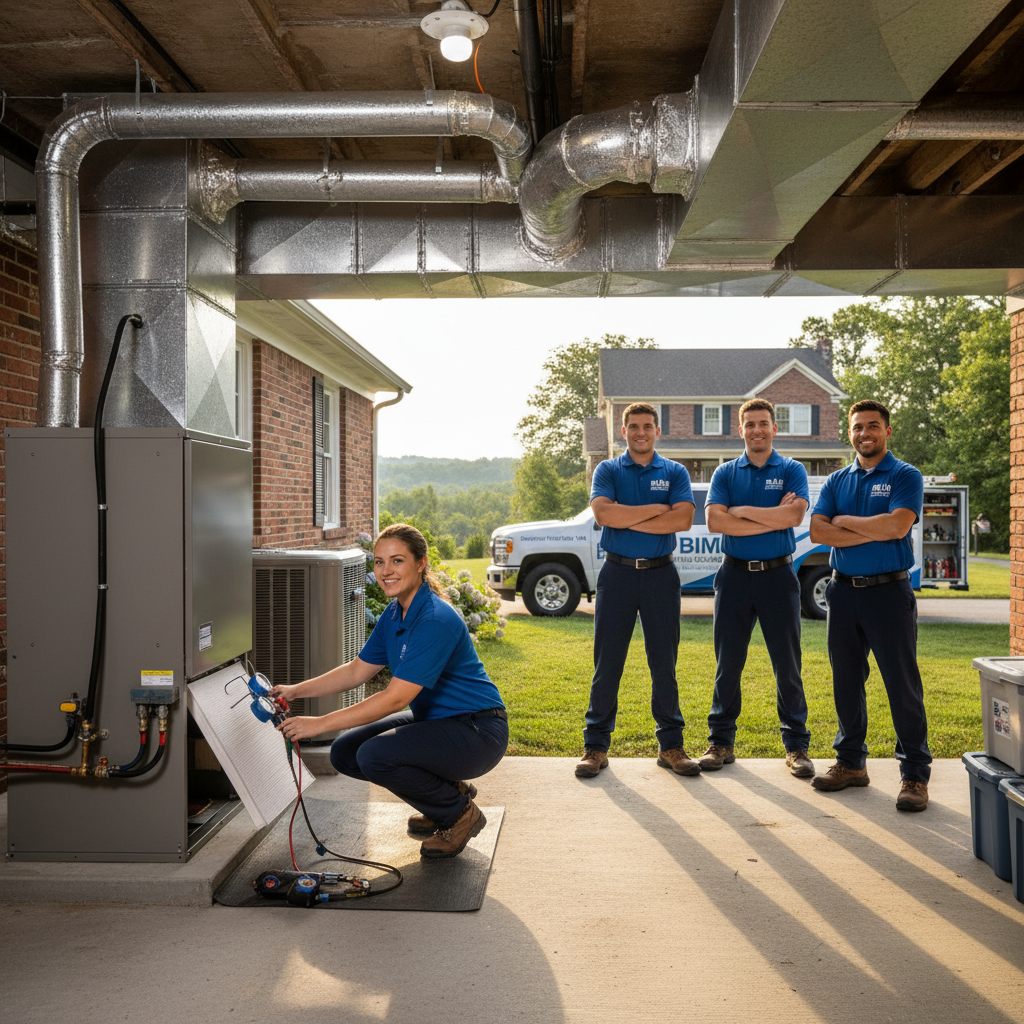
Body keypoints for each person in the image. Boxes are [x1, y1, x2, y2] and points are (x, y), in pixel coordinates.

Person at [273, 523, 508, 857]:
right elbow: (357, 670)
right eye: (380, 562)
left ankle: (458, 814)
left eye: (397, 561)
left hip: (477, 731)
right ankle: (446, 795)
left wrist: (319, 723)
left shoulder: (434, 619)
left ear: (420, 563)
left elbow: (395, 698)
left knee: (374, 755)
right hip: (440, 723)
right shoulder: (395, 613)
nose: (385, 571)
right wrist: (296, 690)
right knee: (346, 752)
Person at [808, 400, 932, 812]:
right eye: (859, 426)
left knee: (901, 684)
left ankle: (914, 774)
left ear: (887, 431)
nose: (865, 433)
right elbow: (817, 529)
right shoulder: (837, 480)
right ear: (850, 432)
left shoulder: (904, 475)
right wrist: (869, 528)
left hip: (888, 594)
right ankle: (850, 763)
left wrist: (844, 523)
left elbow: (898, 524)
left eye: (873, 426)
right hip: (843, 593)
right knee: (846, 681)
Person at [575, 402, 698, 779]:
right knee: (607, 662)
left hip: (661, 576)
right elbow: (604, 515)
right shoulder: (608, 469)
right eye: (633, 426)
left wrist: (630, 513)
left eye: (647, 426)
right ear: (623, 431)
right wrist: (657, 511)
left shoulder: (674, 470)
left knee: (664, 663)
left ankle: (671, 746)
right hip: (618, 574)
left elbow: (684, 518)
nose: (640, 432)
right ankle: (595, 747)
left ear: (657, 431)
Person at [702, 399, 813, 776]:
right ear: (741, 430)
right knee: (727, 664)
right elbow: (716, 522)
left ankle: (796, 747)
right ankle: (720, 743)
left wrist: (742, 511)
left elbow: (795, 516)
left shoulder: (793, 470)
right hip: (733, 577)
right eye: (750, 424)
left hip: (778, 578)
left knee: (788, 665)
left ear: (774, 428)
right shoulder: (726, 474)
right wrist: (771, 518)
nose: (757, 430)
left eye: (763, 423)